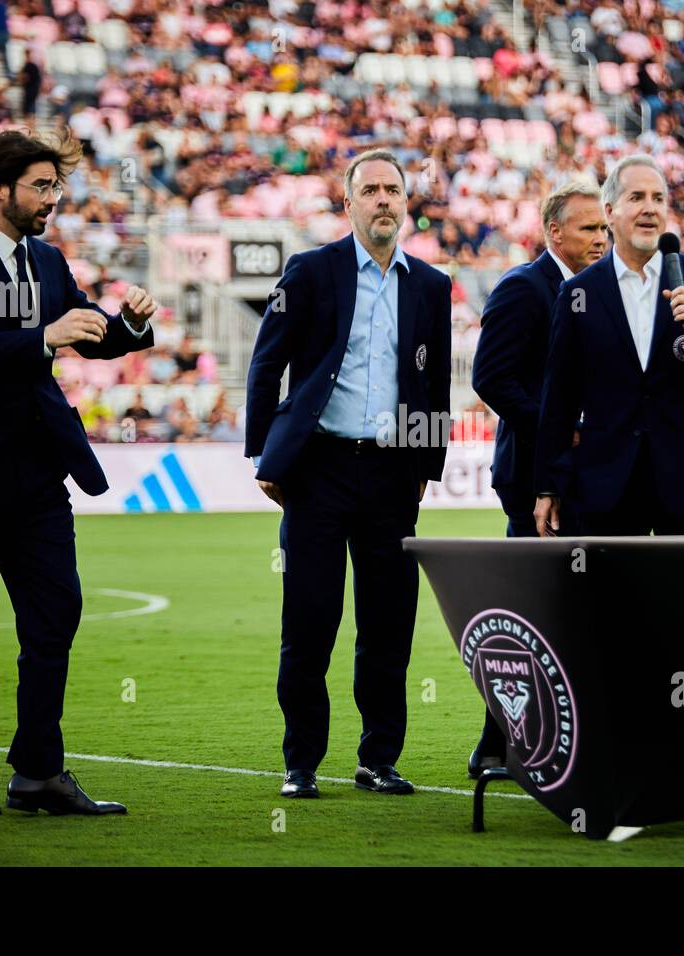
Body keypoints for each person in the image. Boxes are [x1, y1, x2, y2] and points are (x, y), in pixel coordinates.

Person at [0, 129, 156, 816]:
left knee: (56, 613)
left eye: (56, 186)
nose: (54, 198)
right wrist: (43, 338)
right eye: (42, 186)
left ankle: (37, 773)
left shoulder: (46, 261)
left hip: (36, 479)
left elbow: (90, 333)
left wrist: (129, 326)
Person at [244, 149, 451, 800]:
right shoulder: (310, 272)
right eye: (372, 190)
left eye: (394, 190)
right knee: (309, 622)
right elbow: (265, 363)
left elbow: (434, 380)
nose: (384, 200)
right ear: (349, 202)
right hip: (319, 470)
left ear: (406, 203)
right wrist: (263, 454)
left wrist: (427, 463)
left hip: (393, 475)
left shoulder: (432, 285)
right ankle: (301, 762)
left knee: (389, 626)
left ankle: (377, 759)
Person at [467, 178, 607, 779]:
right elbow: (491, 379)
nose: (601, 239)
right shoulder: (522, 289)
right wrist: (562, 426)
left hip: (601, 476)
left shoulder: (608, 291)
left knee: (584, 612)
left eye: (605, 228)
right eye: (589, 229)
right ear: (554, 232)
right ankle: (497, 745)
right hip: (533, 477)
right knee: (528, 615)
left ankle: (570, 741)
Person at [534, 154, 684, 538]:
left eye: (658, 198)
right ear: (610, 212)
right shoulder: (578, 292)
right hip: (607, 488)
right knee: (610, 599)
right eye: (636, 197)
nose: (649, 208)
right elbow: (559, 397)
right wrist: (547, 485)